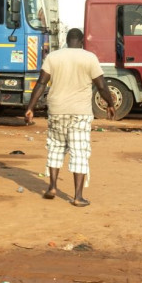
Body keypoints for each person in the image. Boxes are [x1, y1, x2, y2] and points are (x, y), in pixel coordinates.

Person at [23, 28, 116, 207]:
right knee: (79, 152)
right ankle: (77, 196)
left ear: (67, 40)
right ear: (81, 41)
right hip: (79, 112)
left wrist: (30, 108)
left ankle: (52, 187)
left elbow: (41, 83)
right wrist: (110, 104)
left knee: (56, 148)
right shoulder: (89, 58)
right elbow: (102, 85)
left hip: (57, 110)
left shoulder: (53, 57)